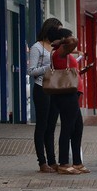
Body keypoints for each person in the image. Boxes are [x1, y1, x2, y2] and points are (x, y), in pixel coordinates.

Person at [50, 27, 89, 175]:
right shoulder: (59, 52)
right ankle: (64, 163)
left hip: (72, 93)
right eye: (69, 36)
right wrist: (62, 41)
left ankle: (77, 162)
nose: (72, 38)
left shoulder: (64, 53)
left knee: (77, 126)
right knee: (67, 127)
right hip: (66, 94)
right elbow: (74, 41)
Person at [27, 18, 62, 173]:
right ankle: (42, 161)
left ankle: (52, 160)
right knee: (42, 126)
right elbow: (32, 71)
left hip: (55, 89)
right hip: (42, 89)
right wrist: (49, 67)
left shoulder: (56, 47)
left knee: (51, 126)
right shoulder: (37, 47)